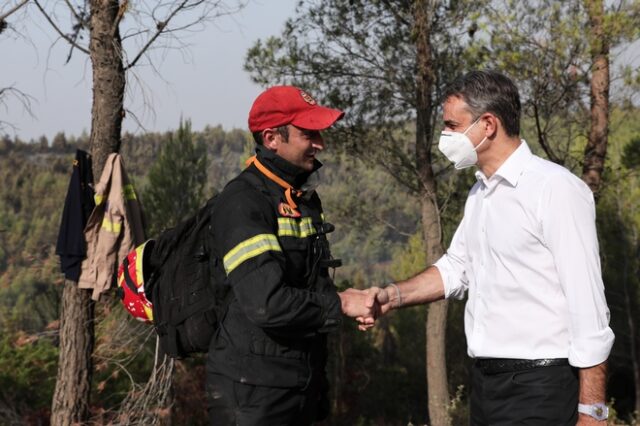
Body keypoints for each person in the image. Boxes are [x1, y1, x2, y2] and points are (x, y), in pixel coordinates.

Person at [360, 70, 615, 425]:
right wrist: (392, 296)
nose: (445, 136)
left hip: (541, 387)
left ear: (488, 125)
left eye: (452, 125)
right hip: (485, 387)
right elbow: (455, 269)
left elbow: (589, 308)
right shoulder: (480, 192)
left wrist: (593, 412)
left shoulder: (555, 190)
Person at [206, 85, 370, 425]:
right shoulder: (243, 203)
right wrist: (341, 304)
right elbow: (267, 302)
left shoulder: (301, 200)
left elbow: (312, 286)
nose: (320, 143)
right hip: (253, 398)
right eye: (308, 133)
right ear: (271, 138)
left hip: (300, 389)